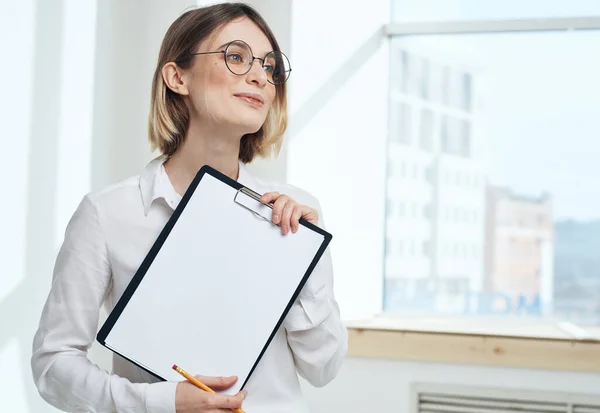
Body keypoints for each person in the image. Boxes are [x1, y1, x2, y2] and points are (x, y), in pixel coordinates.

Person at [30, 3, 348, 413]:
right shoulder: (107, 214)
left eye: (270, 68)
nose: (259, 77)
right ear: (177, 76)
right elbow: (52, 364)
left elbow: (324, 368)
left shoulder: (296, 213)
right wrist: (160, 402)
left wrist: (299, 256)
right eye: (236, 57)